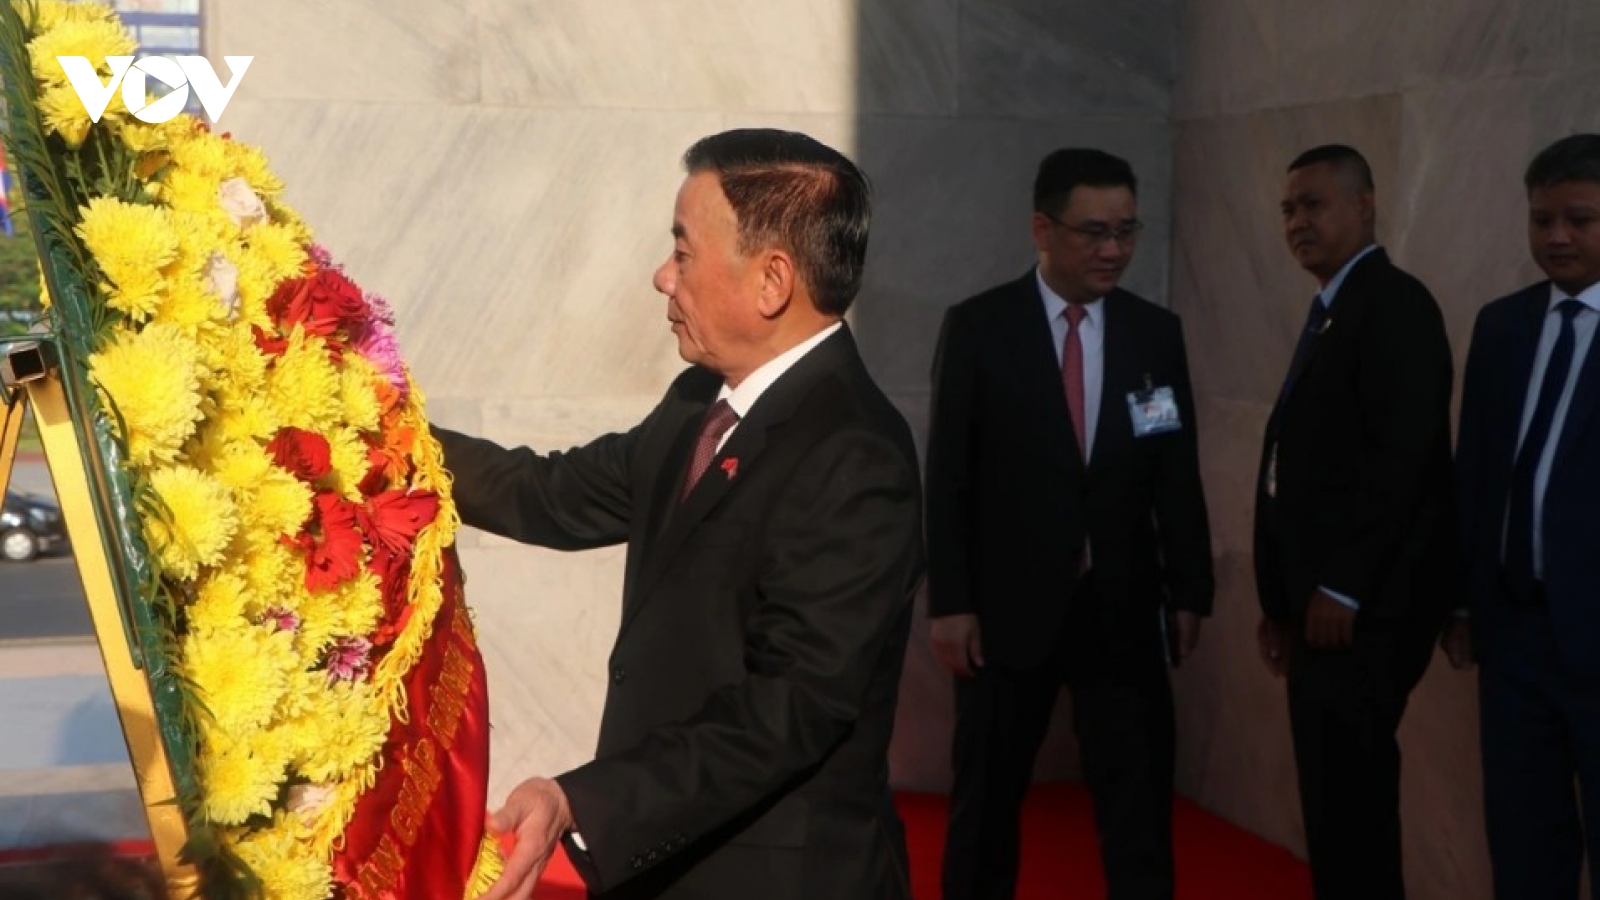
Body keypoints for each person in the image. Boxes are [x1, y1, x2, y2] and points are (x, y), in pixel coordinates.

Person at [439, 129, 925, 900]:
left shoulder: (856, 454)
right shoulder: (700, 401)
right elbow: (552, 494)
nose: (663, 277)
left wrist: (581, 799)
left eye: (684, 251)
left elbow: (785, 711)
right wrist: (373, 431)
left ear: (772, 281)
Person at [926, 148, 1214, 900]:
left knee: (1138, 808)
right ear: (1042, 230)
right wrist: (950, 604)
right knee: (985, 806)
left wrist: (1189, 588)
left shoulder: (1156, 333)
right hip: (1004, 613)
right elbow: (948, 479)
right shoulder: (980, 328)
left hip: (1122, 608)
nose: (1113, 250)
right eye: (1094, 232)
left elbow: (1174, 469)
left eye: (1126, 231)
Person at [1253, 144, 1455, 900]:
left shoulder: (1394, 305)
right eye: (1287, 209)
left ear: (1365, 205)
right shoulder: (1335, 307)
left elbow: (1403, 464)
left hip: (1360, 618)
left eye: (1314, 204)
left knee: (1355, 807)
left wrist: (1343, 586)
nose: (1298, 222)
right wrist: (1280, 602)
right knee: (1333, 808)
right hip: (1316, 616)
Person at [1447, 133, 1600, 899]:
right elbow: (1474, 474)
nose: (1557, 237)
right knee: (1523, 841)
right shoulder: (1503, 325)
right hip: (1514, 636)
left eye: (1579, 218)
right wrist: (1465, 600)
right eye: (1542, 219)